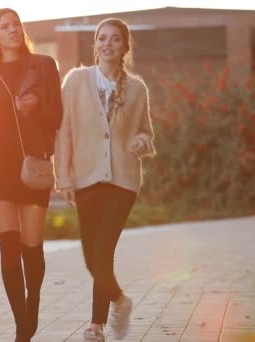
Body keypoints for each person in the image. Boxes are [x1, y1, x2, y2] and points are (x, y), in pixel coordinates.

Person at [0, 8, 63, 342]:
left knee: (32, 247)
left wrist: (35, 107)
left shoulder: (44, 66)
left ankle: (33, 304)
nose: (13, 30)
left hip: (32, 163)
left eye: (16, 24)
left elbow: (57, 117)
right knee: (9, 246)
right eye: (5, 26)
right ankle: (22, 327)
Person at [54, 18, 156, 341]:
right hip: (85, 178)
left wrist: (142, 142)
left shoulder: (137, 89)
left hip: (123, 182)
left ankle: (96, 325)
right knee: (91, 257)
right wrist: (64, 177)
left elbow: (146, 133)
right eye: (101, 39)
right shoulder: (75, 81)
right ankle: (120, 301)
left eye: (114, 39)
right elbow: (64, 132)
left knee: (103, 253)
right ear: (95, 44)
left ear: (125, 47)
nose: (107, 44)